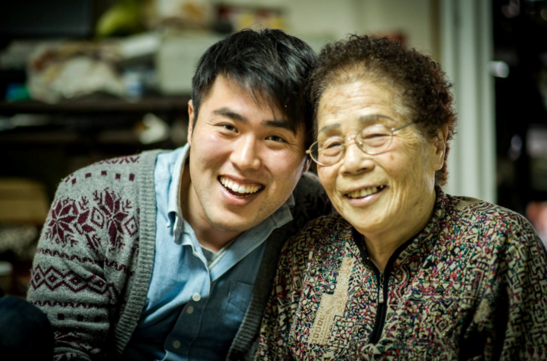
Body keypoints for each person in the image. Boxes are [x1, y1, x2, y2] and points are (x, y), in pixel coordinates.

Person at [27, 28, 332, 360]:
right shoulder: (91, 200)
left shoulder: (319, 215)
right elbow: (64, 349)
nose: (245, 160)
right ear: (192, 122)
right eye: (228, 127)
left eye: (275, 138)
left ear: (307, 156)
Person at [256, 35, 547, 360]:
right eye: (332, 144)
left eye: (376, 135)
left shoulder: (497, 246)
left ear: (436, 145)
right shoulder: (305, 254)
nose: (352, 163)